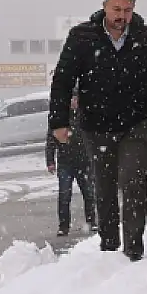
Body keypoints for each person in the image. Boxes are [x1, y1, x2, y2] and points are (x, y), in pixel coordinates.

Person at [49, 0, 147, 261]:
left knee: (134, 183)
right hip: (97, 125)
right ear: (104, 6)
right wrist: (58, 122)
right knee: (104, 187)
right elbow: (63, 80)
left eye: (127, 10)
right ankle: (110, 246)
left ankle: (134, 249)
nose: (121, 16)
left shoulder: (146, 37)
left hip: (136, 124)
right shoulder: (82, 36)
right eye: (116, 9)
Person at [45, 88, 96, 235]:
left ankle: (92, 221)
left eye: (76, 99)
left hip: (84, 162)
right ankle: (63, 226)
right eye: (71, 99)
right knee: (64, 195)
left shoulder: (86, 116)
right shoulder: (60, 118)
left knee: (89, 193)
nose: (74, 102)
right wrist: (50, 160)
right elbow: (51, 139)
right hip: (65, 163)